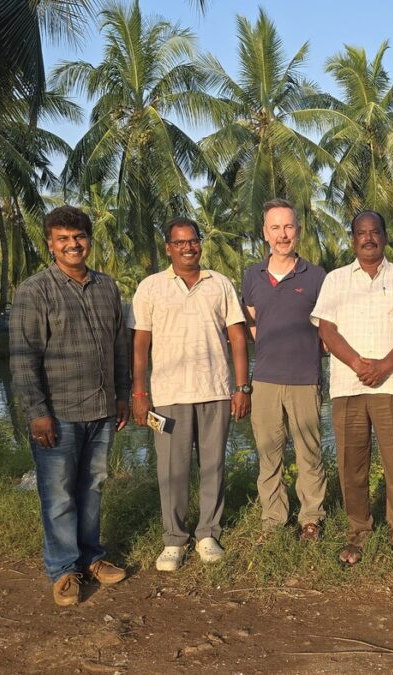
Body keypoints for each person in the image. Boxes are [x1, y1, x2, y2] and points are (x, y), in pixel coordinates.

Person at [9, 205, 130, 607]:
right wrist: (36, 412)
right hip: (57, 412)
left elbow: (118, 348)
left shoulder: (107, 287)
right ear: (51, 244)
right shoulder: (34, 290)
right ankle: (63, 570)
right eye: (63, 239)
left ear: (88, 240)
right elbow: (24, 357)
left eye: (78, 237)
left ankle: (90, 557)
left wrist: (122, 395)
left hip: (101, 409)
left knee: (93, 487)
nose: (72, 245)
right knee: (59, 494)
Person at [311, 210, 393, 569]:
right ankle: (358, 533)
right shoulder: (335, 280)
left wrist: (383, 366)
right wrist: (359, 364)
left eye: (374, 232)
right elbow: (327, 330)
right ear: (353, 239)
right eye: (361, 233)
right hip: (349, 383)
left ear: (385, 236)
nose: (368, 238)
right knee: (352, 463)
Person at [131, 217, 250, 572]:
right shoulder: (151, 287)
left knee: (213, 465)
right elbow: (140, 343)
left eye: (193, 240)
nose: (187, 247)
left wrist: (242, 387)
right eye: (179, 242)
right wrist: (140, 391)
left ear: (200, 244)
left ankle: (207, 534)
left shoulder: (220, 284)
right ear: (168, 248)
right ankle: (174, 539)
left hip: (215, 391)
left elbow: (238, 338)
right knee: (172, 469)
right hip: (168, 397)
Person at [242, 199, 328, 541]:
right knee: (268, 454)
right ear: (265, 234)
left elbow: (326, 329)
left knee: (309, 453)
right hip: (264, 380)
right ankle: (273, 520)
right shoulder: (252, 275)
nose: (283, 234)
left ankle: (311, 518)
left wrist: (306, 353)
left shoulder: (317, 276)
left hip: (305, 379)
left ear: (299, 231)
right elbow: (252, 322)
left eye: (289, 226)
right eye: (275, 227)